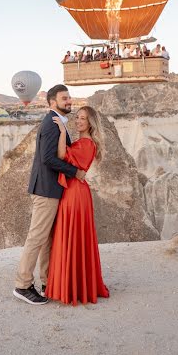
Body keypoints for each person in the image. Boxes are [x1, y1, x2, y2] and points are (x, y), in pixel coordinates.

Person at [13, 85, 87, 305]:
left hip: (51, 189)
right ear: (52, 102)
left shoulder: (57, 123)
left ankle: (48, 282)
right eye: (65, 98)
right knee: (37, 238)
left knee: (47, 240)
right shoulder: (51, 124)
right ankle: (23, 285)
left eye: (69, 97)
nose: (69, 101)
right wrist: (75, 172)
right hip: (46, 190)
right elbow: (48, 159)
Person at [46, 106, 110, 306]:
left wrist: (63, 131)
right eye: (78, 117)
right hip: (75, 191)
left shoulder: (87, 143)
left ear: (90, 123)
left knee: (71, 236)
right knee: (71, 237)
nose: (79, 121)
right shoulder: (83, 142)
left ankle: (73, 288)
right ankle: (73, 285)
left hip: (75, 194)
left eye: (83, 118)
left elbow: (62, 154)